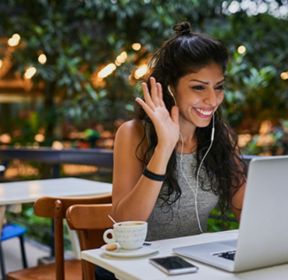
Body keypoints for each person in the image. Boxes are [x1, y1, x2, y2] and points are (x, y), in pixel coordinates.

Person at [97, 21, 247, 279]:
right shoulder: (134, 134)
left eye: (218, 86)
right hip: (133, 269)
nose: (212, 100)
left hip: (189, 267)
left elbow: (247, 213)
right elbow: (123, 222)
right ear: (170, 88)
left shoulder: (218, 139)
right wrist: (165, 147)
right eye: (199, 87)